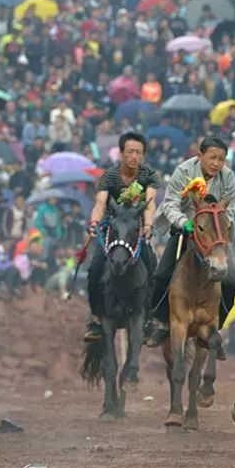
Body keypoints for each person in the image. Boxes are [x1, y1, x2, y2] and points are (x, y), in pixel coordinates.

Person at [146, 136, 235, 348]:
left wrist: (218, 229)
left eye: (221, 159)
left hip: (215, 236)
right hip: (185, 230)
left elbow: (230, 209)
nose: (217, 163)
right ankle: (161, 322)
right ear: (200, 155)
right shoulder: (183, 171)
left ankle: (216, 329)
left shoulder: (229, 177)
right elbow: (170, 204)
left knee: (231, 281)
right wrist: (185, 223)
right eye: (212, 158)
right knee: (161, 275)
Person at [83, 132, 158, 341]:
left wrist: (149, 225)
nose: (134, 156)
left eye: (139, 152)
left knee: (153, 267)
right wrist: (94, 222)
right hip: (112, 233)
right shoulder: (110, 176)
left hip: (136, 232)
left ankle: (151, 317)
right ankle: (97, 319)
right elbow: (100, 203)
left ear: (143, 155)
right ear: (122, 154)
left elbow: (150, 203)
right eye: (130, 152)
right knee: (95, 268)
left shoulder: (148, 176)